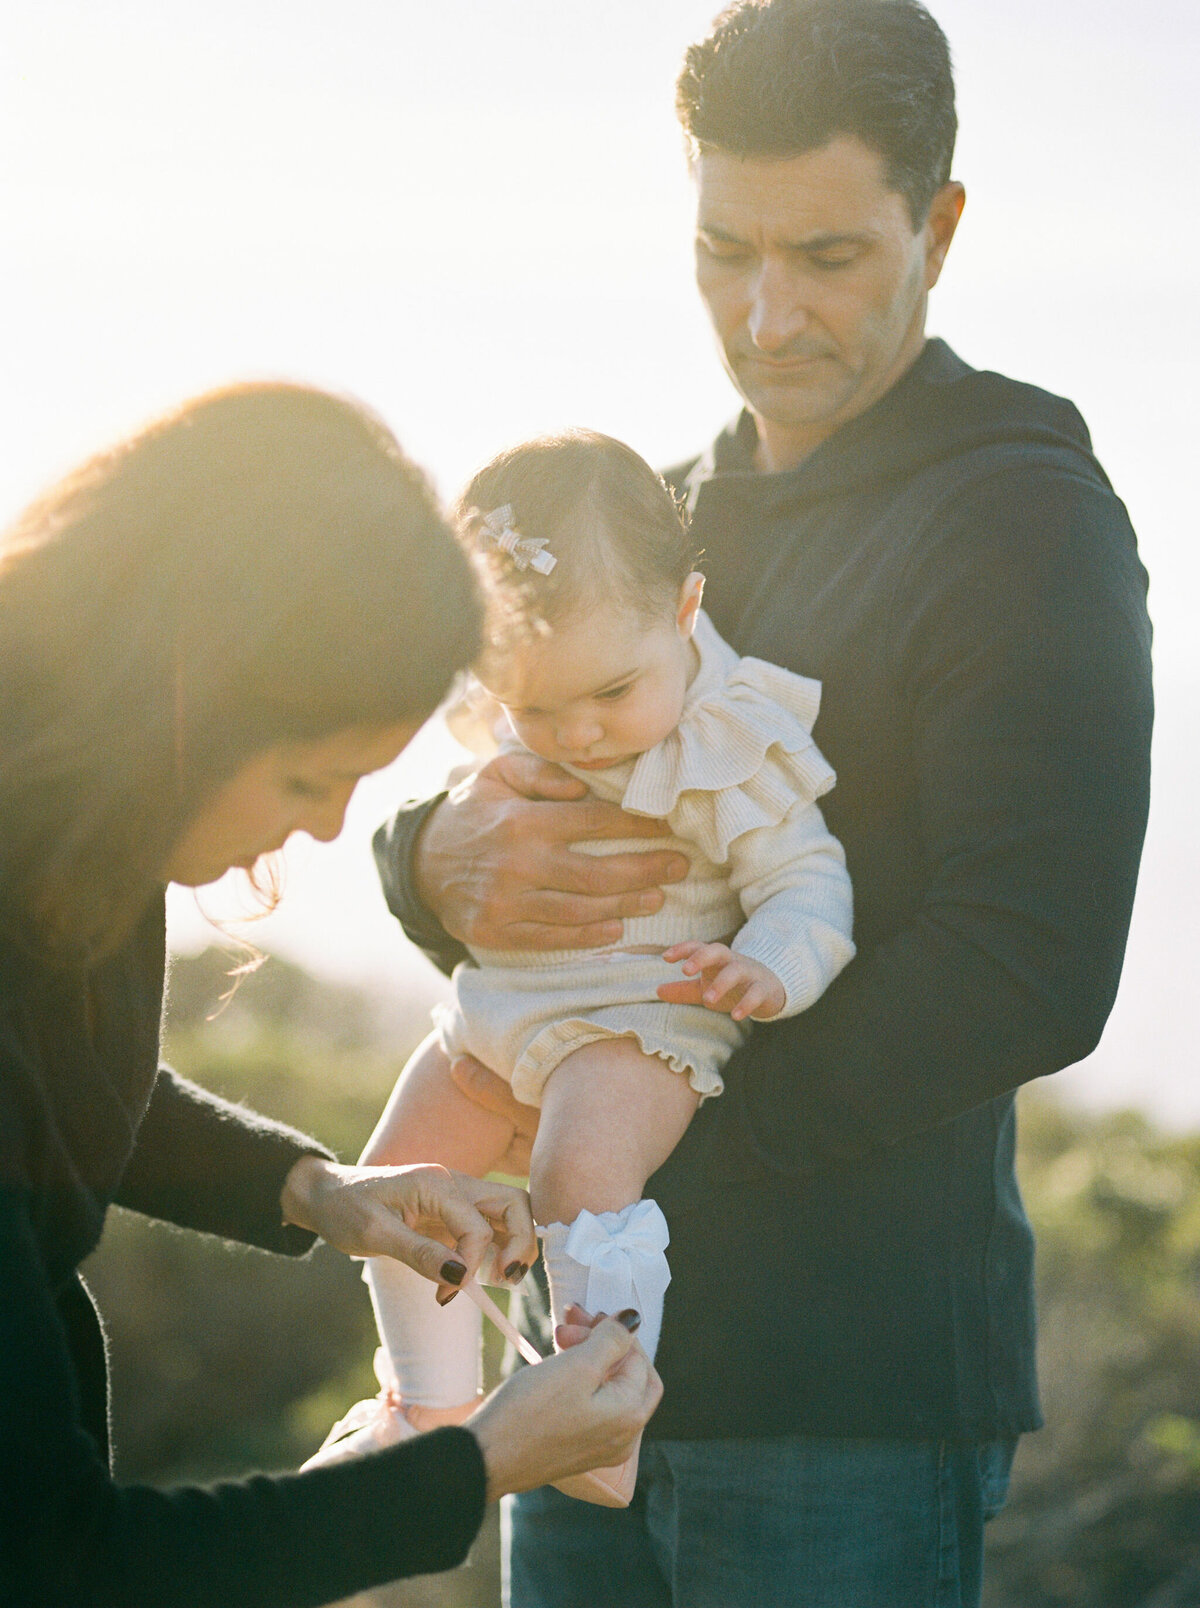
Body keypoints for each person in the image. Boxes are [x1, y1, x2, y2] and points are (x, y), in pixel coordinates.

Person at [371, 2, 1155, 1603]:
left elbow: (1031, 966)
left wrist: (648, 1139)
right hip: (570, 1390)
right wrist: (423, 857)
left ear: (938, 226)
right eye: (724, 250)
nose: (766, 312)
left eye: (827, 256)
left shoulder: (1025, 521)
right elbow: (503, 760)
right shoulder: (653, 518)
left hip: (844, 1399)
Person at [0, 381, 661, 1608]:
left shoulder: (69, 822)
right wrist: (475, 1466)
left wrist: (319, 1190)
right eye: (310, 772)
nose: (329, 825)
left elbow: (55, 1096)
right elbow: (62, 1565)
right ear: (179, 700)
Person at [305, 430, 854, 1504]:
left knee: (575, 1182)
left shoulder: (728, 739)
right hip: (498, 1010)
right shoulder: (541, 707)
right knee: (397, 1174)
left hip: (640, 1017)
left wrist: (769, 968)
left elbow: (810, 881)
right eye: (537, 707)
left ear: (686, 610)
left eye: (610, 692)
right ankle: (428, 1406)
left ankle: (603, 1416)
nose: (580, 733)